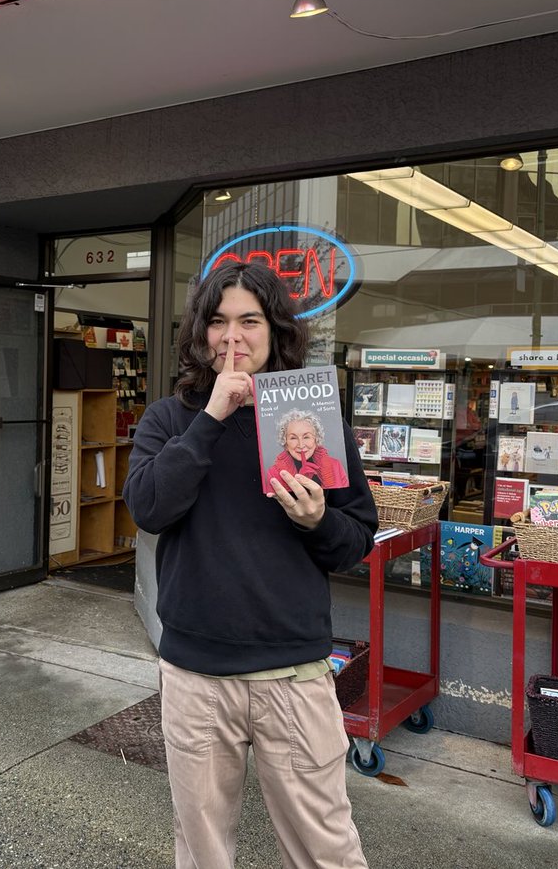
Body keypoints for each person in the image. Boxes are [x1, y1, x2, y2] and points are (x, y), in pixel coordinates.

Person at [123, 261, 376, 869]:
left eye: (249, 321)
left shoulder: (311, 422)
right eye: (217, 322)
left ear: (276, 331)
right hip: (195, 674)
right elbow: (149, 507)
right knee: (203, 848)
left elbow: (356, 538)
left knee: (326, 849)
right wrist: (211, 417)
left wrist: (317, 521)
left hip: (292, 670)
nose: (232, 336)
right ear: (199, 335)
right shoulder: (171, 418)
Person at [268, 410, 349, 489]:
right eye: (293, 438)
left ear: (316, 439)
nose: (301, 445)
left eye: (306, 437)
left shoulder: (336, 466)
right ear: (285, 443)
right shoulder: (273, 473)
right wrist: (301, 481)